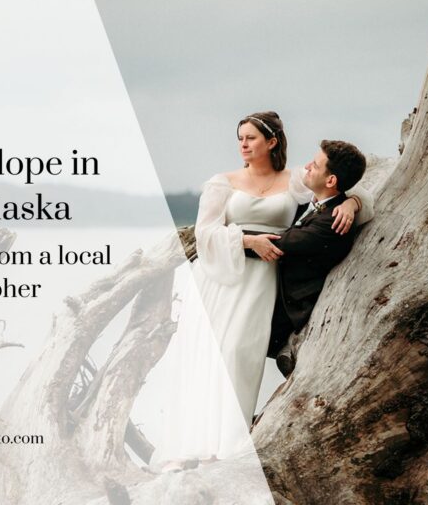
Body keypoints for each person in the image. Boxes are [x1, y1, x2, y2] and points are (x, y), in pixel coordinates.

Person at [148, 112, 373, 469]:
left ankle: (224, 450)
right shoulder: (222, 183)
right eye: (240, 138)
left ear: (272, 142)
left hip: (261, 282)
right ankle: (186, 448)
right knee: (207, 357)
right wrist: (247, 240)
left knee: (240, 355)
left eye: (251, 138)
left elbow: (342, 187)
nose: (243, 144)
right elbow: (205, 234)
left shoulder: (296, 180)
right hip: (222, 276)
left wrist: (353, 203)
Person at [244, 140, 368, 378]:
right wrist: (354, 201)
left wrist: (231, 239)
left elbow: (279, 244)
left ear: (331, 181)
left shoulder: (332, 222)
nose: (307, 167)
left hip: (289, 311)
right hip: (273, 292)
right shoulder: (323, 202)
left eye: (315, 165)